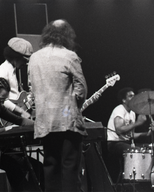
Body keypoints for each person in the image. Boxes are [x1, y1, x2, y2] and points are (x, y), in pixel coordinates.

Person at [28, 19, 88, 192]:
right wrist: (74, 102)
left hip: (45, 122)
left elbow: (31, 88)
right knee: (69, 167)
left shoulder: (34, 58)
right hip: (67, 121)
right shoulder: (69, 55)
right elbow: (81, 89)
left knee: (50, 165)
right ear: (67, 35)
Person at [106, 87, 154, 182]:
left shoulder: (132, 112)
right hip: (114, 143)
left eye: (134, 95)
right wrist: (138, 123)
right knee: (137, 151)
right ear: (124, 100)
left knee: (149, 150)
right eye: (130, 96)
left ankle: (147, 180)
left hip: (125, 142)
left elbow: (131, 135)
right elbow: (119, 130)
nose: (134, 98)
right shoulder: (119, 109)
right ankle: (135, 181)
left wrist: (147, 134)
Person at [0, 37, 34, 120]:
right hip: (9, 117)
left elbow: (15, 96)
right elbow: (0, 99)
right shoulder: (2, 71)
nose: (25, 63)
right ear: (16, 57)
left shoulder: (13, 70)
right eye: (24, 60)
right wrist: (21, 111)